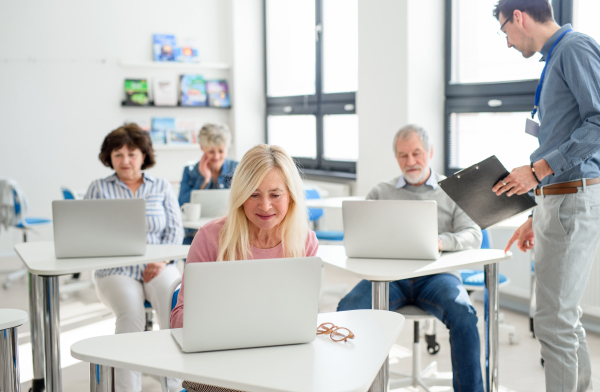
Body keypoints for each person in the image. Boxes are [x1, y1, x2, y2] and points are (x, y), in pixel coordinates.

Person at [492, 1, 600, 390]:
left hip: (572, 197)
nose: (507, 42)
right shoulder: (555, 59)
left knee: (552, 322)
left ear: (518, 16)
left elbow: (599, 121)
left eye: (504, 30)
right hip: (559, 198)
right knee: (562, 319)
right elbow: (563, 138)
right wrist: (535, 214)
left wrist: (537, 171)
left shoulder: (574, 48)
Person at [337, 124, 484, 392]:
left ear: (430, 152)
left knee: (465, 314)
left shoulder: (451, 191)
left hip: (438, 276)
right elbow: (359, 234)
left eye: (417, 153)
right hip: (389, 278)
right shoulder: (381, 192)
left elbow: (473, 234)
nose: (411, 161)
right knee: (347, 310)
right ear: (396, 157)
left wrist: (442, 241)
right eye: (403, 155)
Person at [171, 144, 319, 328]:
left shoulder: (305, 241)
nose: (265, 206)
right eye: (254, 195)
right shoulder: (209, 238)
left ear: (291, 196)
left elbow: (306, 312)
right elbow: (179, 317)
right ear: (240, 195)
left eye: (275, 195)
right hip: (223, 343)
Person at [86, 123, 183, 392]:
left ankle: (175, 384)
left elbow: (175, 230)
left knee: (173, 305)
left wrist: (162, 261)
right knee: (131, 314)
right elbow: (88, 233)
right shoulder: (98, 188)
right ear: (109, 158)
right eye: (118, 154)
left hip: (159, 265)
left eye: (131, 153)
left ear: (143, 155)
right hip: (115, 270)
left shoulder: (161, 186)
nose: (125, 160)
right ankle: (128, 389)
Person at [178, 123, 238, 244]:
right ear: (202, 147)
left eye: (221, 151)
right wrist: (204, 180)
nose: (216, 156)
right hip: (196, 233)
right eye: (211, 151)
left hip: (231, 231)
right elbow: (182, 204)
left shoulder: (238, 168)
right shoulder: (189, 171)